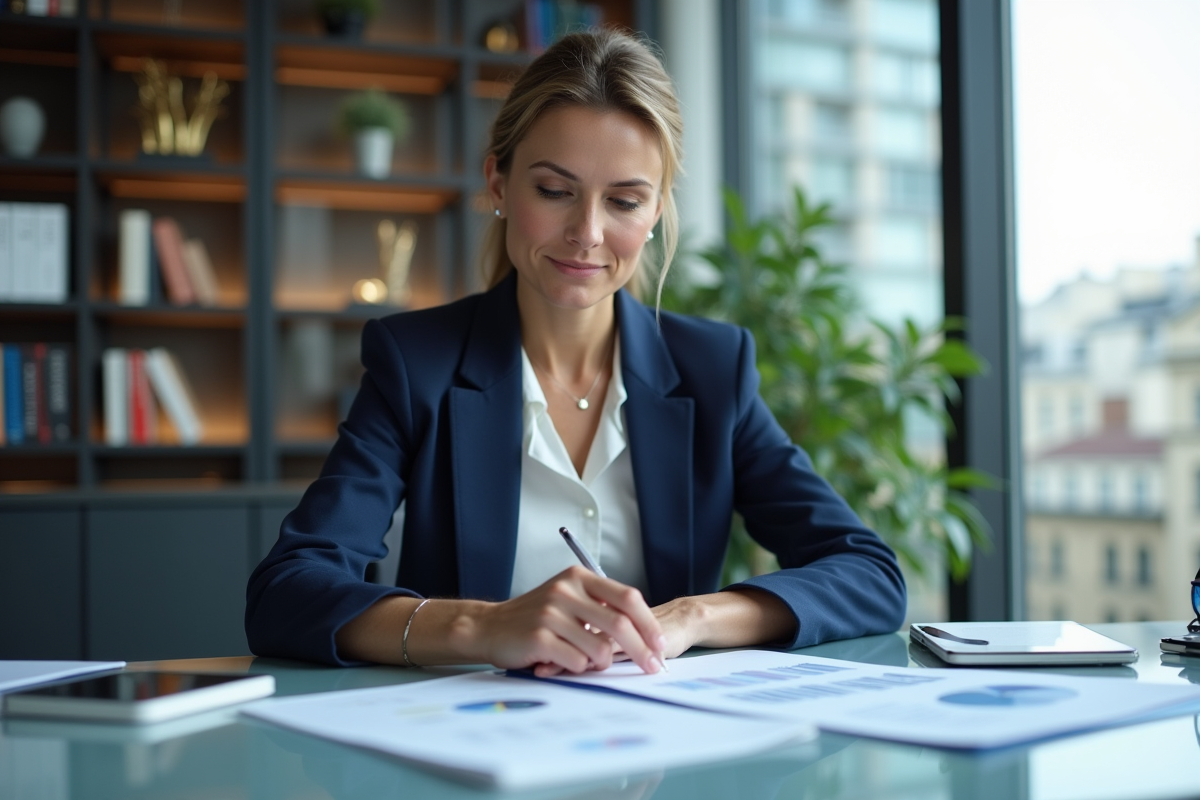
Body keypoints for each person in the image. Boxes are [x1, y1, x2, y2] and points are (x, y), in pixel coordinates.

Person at [246, 29, 906, 675]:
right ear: (499, 185)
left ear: (655, 215)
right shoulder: (416, 363)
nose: (587, 233)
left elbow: (869, 575)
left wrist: (690, 619)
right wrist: (482, 626)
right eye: (555, 191)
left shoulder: (713, 370)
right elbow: (288, 592)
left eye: (623, 200)